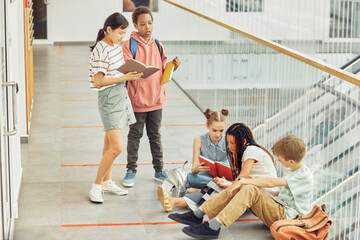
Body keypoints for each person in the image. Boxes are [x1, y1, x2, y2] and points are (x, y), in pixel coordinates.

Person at [169, 135, 314, 239]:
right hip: (280, 209)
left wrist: (244, 182)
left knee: (248, 186)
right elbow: (276, 193)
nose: (277, 161)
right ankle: (199, 214)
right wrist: (241, 184)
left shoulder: (304, 175)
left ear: (291, 161)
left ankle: (212, 226)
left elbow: (272, 183)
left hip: (287, 218)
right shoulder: (294, 170)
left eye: (280, 159)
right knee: (245, 187)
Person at [158, 122, 278, 213]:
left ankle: (177, 202)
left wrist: (229, 184)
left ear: (244, 140)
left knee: (219, 189)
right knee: (215, 186)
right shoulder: (245, 152)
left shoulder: (252, 150)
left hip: (265, 193)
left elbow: (243, 177)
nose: (229, 146)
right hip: (253, 189)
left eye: (232, 143)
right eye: (228, 143)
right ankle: (175, 202)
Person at [122, 6, 181, 187]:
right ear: (135, 25)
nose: (147, 27)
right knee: (135, 136)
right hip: (137, 100)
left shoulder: (157, 44)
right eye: (143, 24)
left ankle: (159, 170)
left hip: (156, 100)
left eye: (150, 23)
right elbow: (125, 68)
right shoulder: (129, 45)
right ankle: (131, 170)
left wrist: (173, 66)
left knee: (155, 136)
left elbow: (164, 69)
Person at [88, 12, 143, 203]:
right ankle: (96, 185)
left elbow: (117, 70)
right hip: (109, 98)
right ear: (108, 30)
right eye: (120, 33)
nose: (123, 37)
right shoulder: (100, 50)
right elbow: (98, 81)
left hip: (121, 95)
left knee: (109, 144)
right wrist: (125, 77)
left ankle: (107, 181)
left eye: (124, 34)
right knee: (117, 147)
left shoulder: (116, 47)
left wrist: (131, 71)